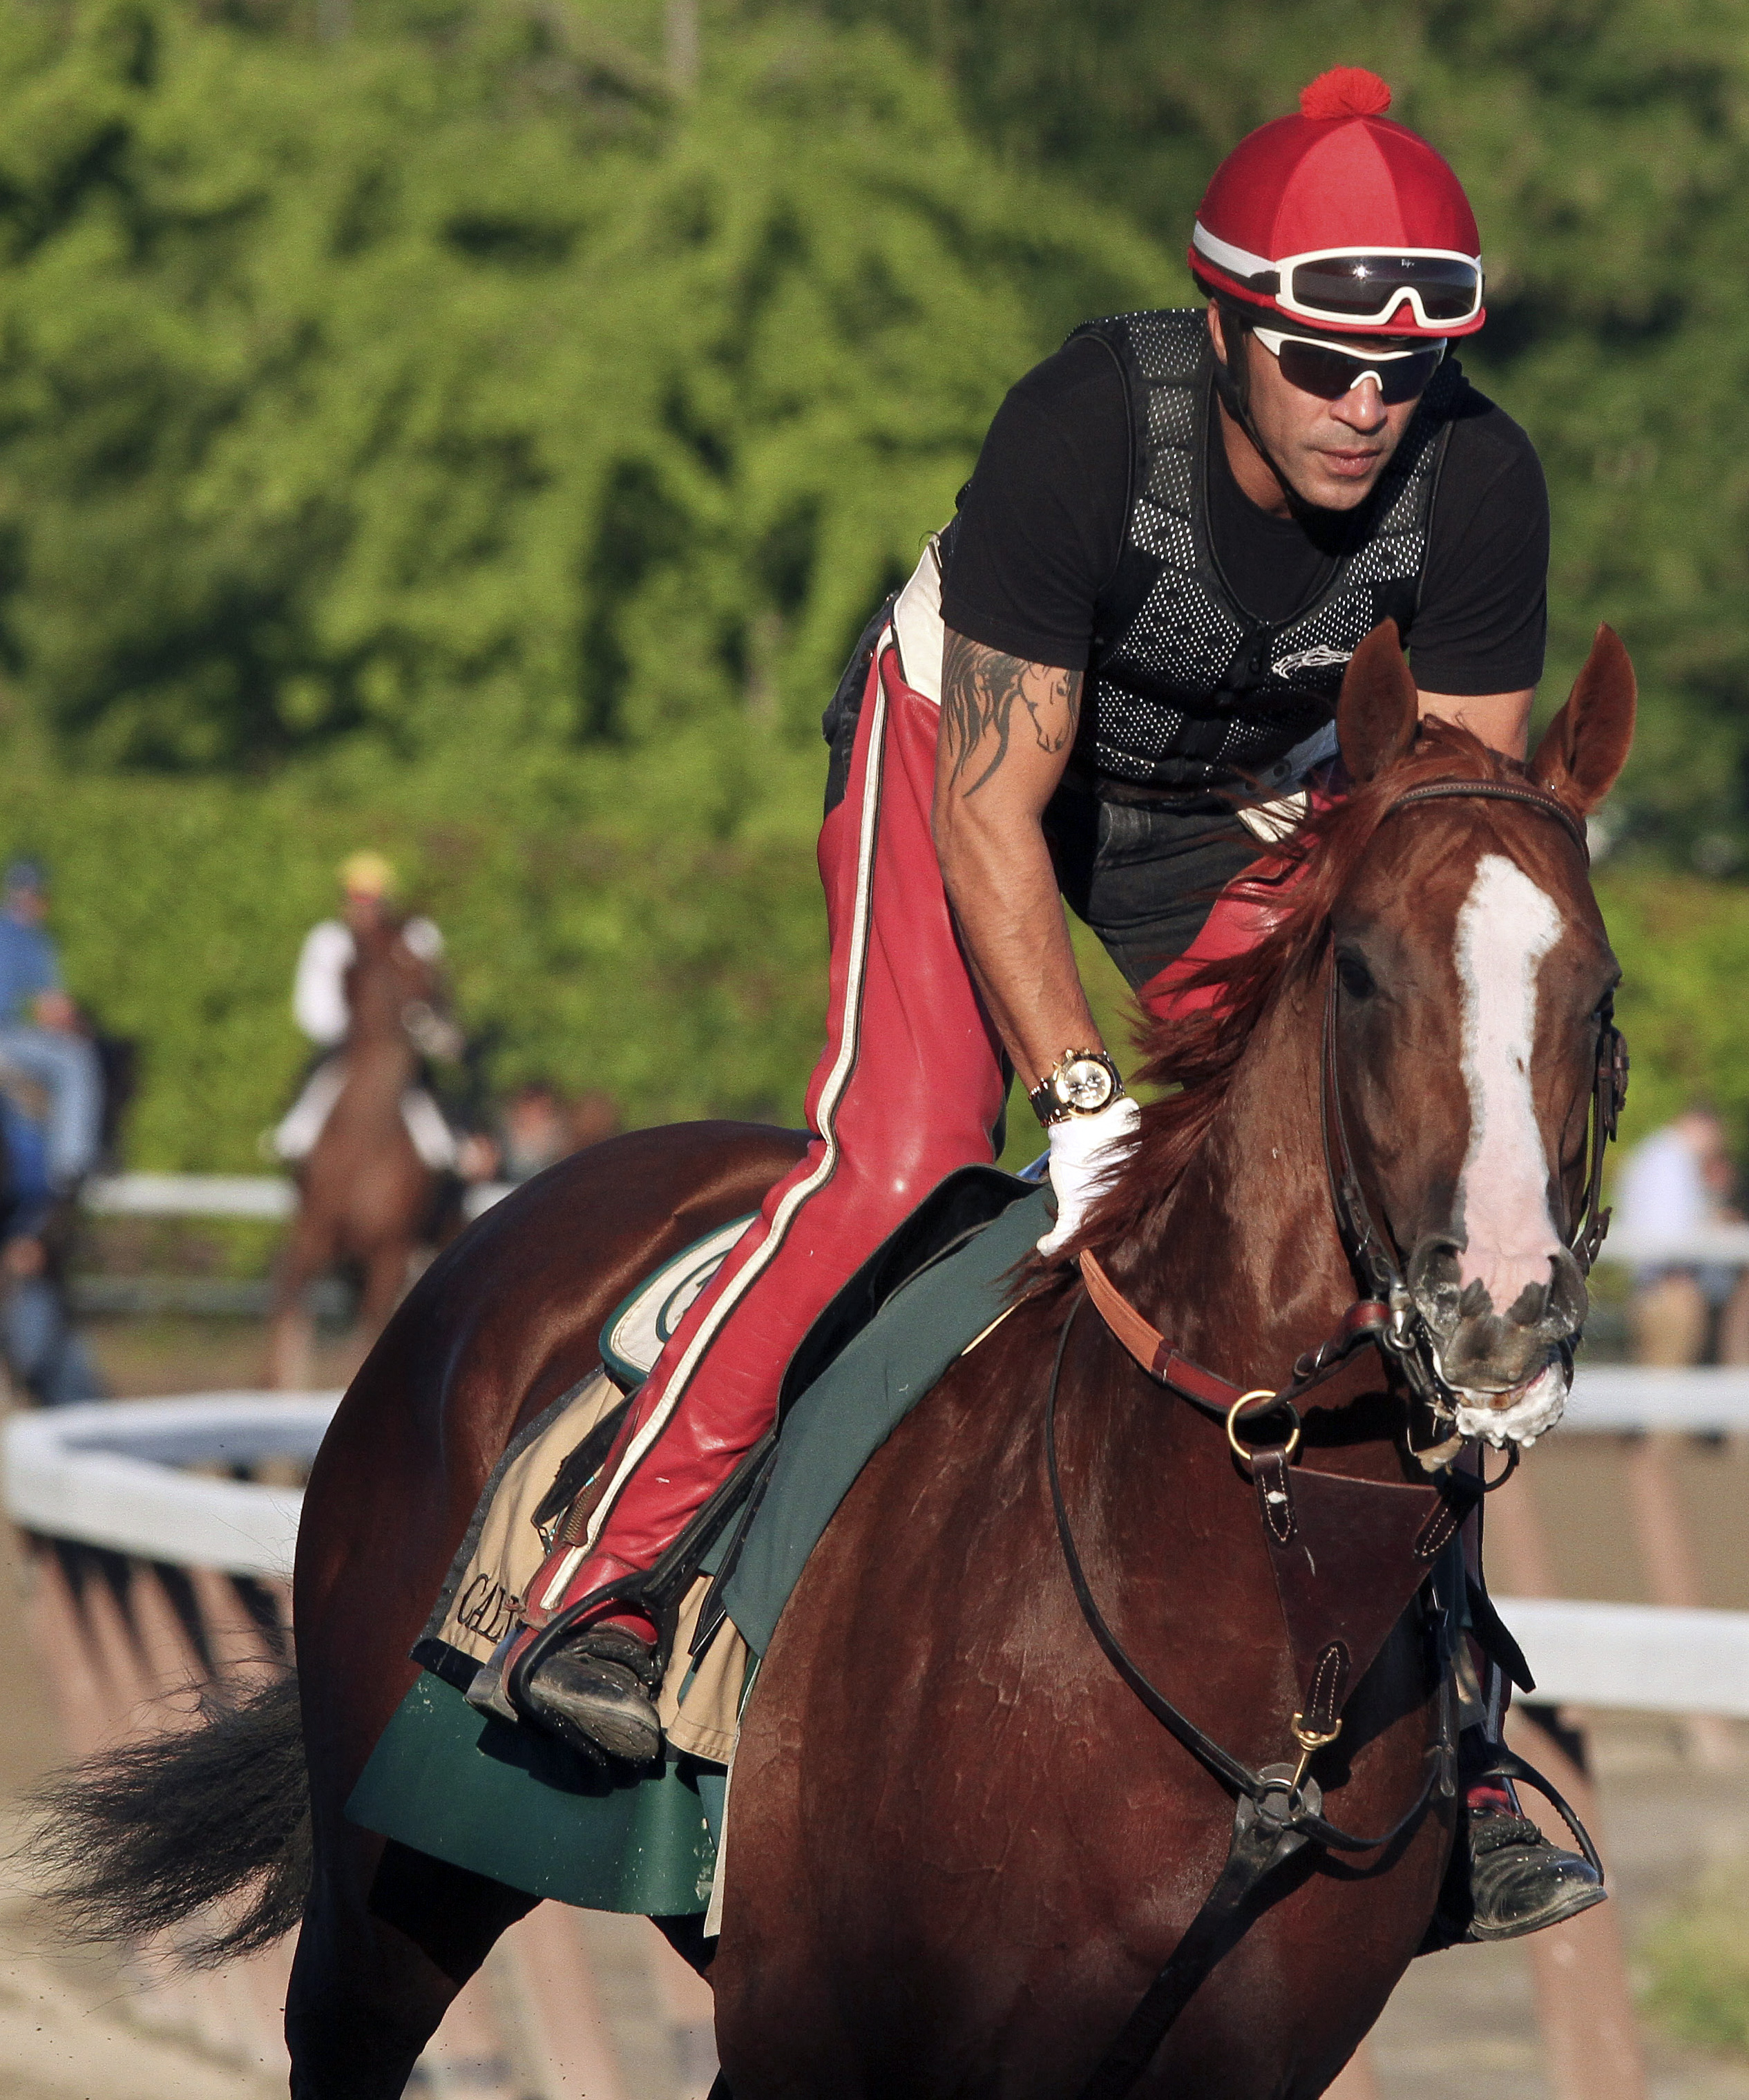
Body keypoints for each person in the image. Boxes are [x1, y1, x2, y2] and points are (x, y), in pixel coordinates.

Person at [499, 68, 1596, 1938]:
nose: (1362, 407)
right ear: (1227, 326)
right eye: (1320, 360)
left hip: (1248, 819)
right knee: (903, 1150)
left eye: (1401, 375)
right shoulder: (1089, 427)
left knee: (1383, 1224)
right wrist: (1080, 1099)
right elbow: (994, 809)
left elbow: (1449, 849)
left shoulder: (1477, 480)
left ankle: (1463, 1729)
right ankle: (599, 1584)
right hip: (985, 756)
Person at [273, 852, 458, 1173]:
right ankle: (293, 1140)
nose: (364, 909)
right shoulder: (328, 941)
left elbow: (430, 998)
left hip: (404, 1046)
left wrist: (413, 1031)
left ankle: (453, 1153)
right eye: (358, 900)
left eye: (372, 901)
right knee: (305, 1114)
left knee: (437, 1121)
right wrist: (358, 1033)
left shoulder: (412, 937)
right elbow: (314, 1010)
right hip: (347, 1045)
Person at [1614, 1105, 1746, 1366]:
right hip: (1671, 1288)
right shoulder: (1670, 1162)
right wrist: (1718, 1224)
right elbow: (1673, 1235)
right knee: (1668, 1385)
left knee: (1664, 1381)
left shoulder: (1658, 1156)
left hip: (1661, 1289)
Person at [0, 861, 103, 1194]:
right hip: (6, 1041)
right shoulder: (36, 941)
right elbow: (55, 1012)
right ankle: (71, 1169)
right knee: (76, 1060)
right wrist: (85, 1030)